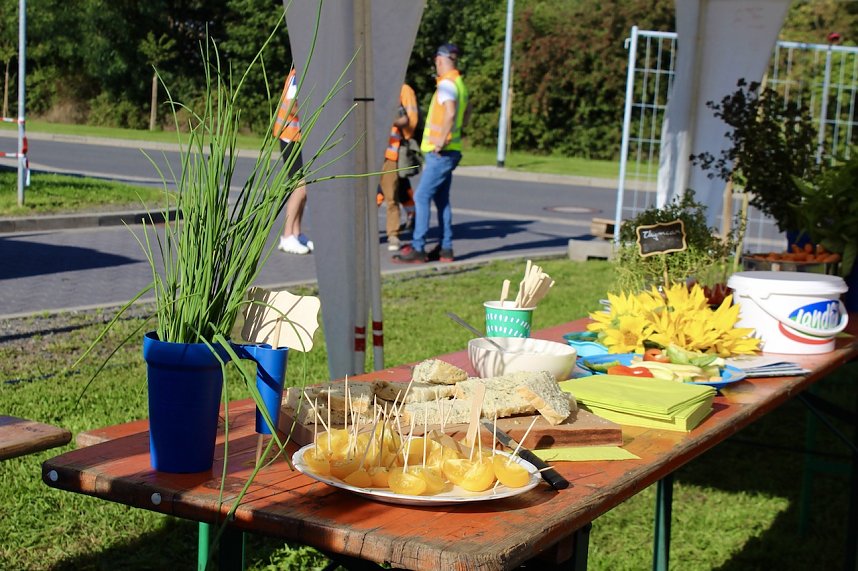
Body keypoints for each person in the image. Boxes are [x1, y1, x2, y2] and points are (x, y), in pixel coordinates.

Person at [393, 43, 468, 264]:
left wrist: (441, 140)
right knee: (442, 200)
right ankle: (446, 248)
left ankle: (418, 248)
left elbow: (450, 113)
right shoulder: (459, 83)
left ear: (439, 60)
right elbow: (467, 110)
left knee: (421, 197)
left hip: (441, 153)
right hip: (451, 151)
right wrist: (457, 131)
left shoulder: (446, 85)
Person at [274, 68, 314, 255]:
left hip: (297, 137)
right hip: (290, 135)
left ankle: (297, 233)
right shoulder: (299, 73)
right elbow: (292, 105)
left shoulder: (304, 70)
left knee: (303, 188)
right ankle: (287, 235)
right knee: (300, 186)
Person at [379, 83, 419, 251]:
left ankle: (393, 234)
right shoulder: (366, 87)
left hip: (389, 152)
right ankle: (362, 233)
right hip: (368, 152)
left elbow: (406, 119)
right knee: (369, 198)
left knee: (391, 196)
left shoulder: (397, 91)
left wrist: (389, 121)